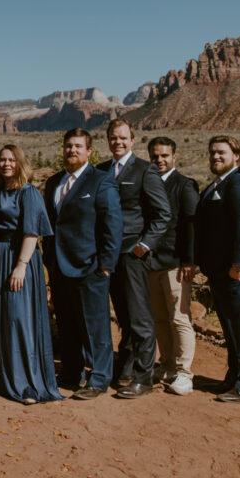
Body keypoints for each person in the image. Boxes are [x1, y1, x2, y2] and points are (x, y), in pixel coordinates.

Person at [0, 144, 62, 405]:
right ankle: (2, 376)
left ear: (20, 161)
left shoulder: (28, 193)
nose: (6, 164)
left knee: (18, 317)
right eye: (2, 159)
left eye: (12, 159)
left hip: (19, 257)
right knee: (0, 317)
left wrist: (21, 265)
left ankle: (28, 383)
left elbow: (31, 233)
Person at [42, 128, 122, 400]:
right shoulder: (53, 183)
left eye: (78, 146)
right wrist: (48, 259)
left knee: (95, 325)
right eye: (68, 146)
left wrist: (106, 266)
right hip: (59, 266)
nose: (71, 150)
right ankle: (71, 372)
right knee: (67, 322)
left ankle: (99, 378)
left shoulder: (101, 181)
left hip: (91, 266)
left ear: (89, 151)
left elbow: (112, 225)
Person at [96, 120, 170, 398]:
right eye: (113, 138)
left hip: (132, 253)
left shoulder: (145, 170)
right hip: (106, 255)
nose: (118, 142)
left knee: (140, 317)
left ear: (133, 139)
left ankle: (144, 376)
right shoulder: (101, 170)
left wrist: (145, 245)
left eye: (123, 138)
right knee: (123, 316)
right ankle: (124, 368)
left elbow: (163, 214)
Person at [193, 135, 240, 403]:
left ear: (237, 156)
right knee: (230, 326)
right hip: (219, 270)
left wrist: (239, 264)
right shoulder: (217, 185)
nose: (215, 157)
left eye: (221, 152)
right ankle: (235, 377)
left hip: (235, 271)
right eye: (212, 153)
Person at [146, 137, 199, 396]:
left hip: (176, 262)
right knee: (159, 319)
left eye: (164, 155)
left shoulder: (184, 185)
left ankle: (184, 372)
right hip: (151, 261)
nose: (159, 160)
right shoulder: (148, 182)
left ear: (174, 157)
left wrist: (190, 260)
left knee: (179, 318)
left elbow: (191, 224)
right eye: (155, 156)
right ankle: (166, 365)